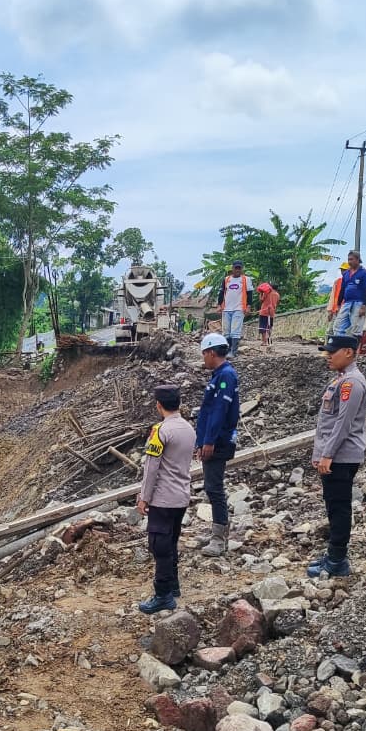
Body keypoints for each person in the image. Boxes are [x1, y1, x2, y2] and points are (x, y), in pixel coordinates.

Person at [307, 335, 366, 579]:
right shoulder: (342, 380)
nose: (328, 356)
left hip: (341, 456)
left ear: (349, 352)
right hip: (335, 455)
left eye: (332, 352)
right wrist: (320, 453)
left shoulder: (352, 383)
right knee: (333, 506)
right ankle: (333, 554)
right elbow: (327, 422)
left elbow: (343, 424)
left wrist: (327, 454)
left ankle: (337, 560)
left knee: (339, 508)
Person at [136, 384, 196, 614]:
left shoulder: (160, 431)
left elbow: (151, 468)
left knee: (159, 545)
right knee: (171, 541)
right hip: (181, 496)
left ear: (158, 405)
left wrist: (144, 497)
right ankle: (173, 584)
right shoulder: (189, 429)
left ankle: (163, 595)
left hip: (162, 498)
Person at [195, 332, 240, 558]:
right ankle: (216, 530)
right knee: (211, 487)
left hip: (219, 441)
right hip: (211, 440)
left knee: (214, 488)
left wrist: (209, 441)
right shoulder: (218, 375)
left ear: (212, 352)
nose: (203, 358)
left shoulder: (226, 376)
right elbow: (207, 412)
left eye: (204, 354)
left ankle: (219, 538)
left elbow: (219, 412)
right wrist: (200, 441)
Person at [217, 260, 252, 358]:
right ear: (232, 268)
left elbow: (250, 294)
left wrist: (249, 306)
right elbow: (221, 292)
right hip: (226, 308)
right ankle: (227, 350)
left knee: (235, 330)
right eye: (235, 268)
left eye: (239, 268)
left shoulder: (246, 279)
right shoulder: (226, 279)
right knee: (226, 331)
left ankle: (233, 351)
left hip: (239, 308)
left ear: (242, 269)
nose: (237, 270)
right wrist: (219, 305)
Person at [332, 251, 366, 337]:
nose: (349, 261)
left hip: (359, 302)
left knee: (356, 327)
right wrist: (338, 305)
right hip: (347, 302)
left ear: (357, 259)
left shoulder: (363, 273)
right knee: (338, 325)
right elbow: (342, 289)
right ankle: (340, 346)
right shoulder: (346, 274)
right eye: (348, 259)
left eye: (351, 259)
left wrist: (364, 305)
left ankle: (354, 348)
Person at [257, 282, 281, 348]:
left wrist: (261, 293)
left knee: (263, 327)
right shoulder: (277, 295)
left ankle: (264, 341)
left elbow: (261, 300)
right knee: (269, 327)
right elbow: (277, 303)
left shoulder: (267, 293)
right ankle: (269, 340)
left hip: (264, 312)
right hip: (271, 313)